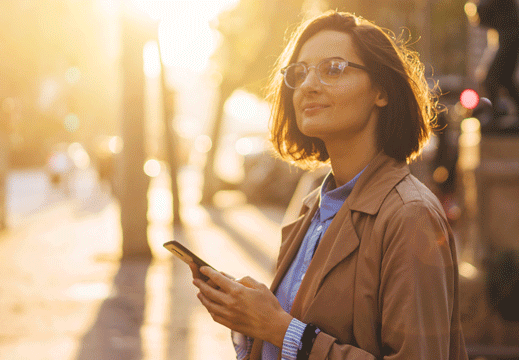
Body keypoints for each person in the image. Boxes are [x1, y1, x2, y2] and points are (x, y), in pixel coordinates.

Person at [190, 11, 467, 359]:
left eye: (333, 68)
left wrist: (278, 327)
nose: (308, 85)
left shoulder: (410, 216)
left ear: (380, 90)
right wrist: (250, 320)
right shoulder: (312, 207)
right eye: (300, 72)